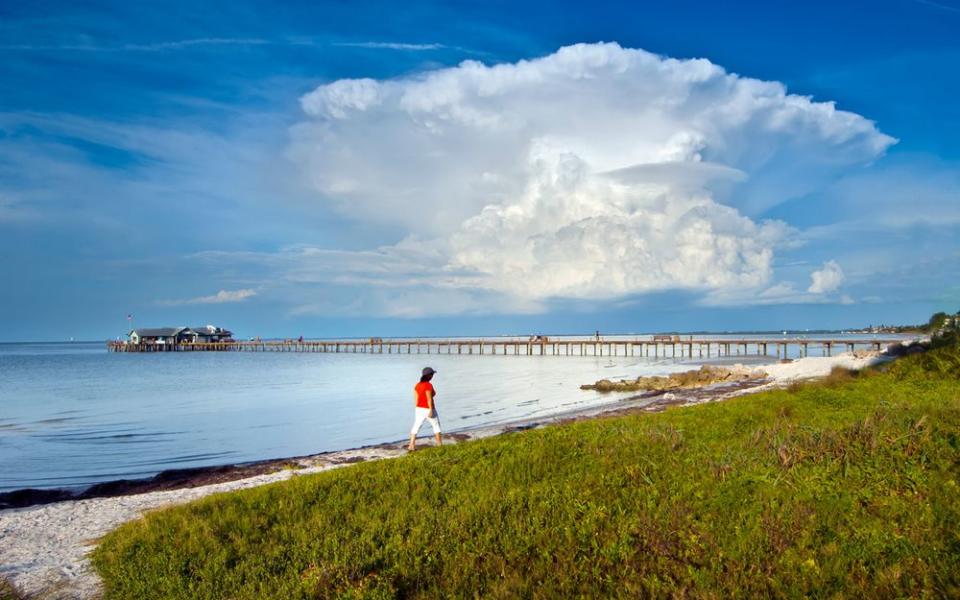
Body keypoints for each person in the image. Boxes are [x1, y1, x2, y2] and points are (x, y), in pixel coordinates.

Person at [408, 366, 441, 451]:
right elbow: (429, 398)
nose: (432, 376)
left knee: (416, 426)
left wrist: (417, 407)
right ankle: (439, 444)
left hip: (419, 408)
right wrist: (430, 410)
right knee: (436, 426)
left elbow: (416, 398)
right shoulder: (428, 385)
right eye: (432, 374)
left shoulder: (417, 385)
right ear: (429, 375)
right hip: (428, 408)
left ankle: (411, 445)